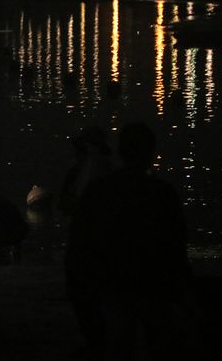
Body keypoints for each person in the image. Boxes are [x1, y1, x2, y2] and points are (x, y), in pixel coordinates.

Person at [66, 122, 191, 359]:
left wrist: (83, 279)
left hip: (116, 276)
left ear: (121, 151)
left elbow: (82, 238)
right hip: (152, 277)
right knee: (159, 338)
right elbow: (176, 241)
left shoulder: (101, 190)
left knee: (120, 339)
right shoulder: (162, 193)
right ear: (150, 152)